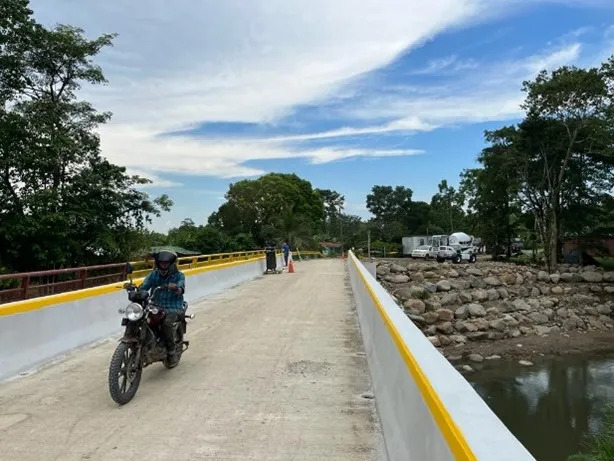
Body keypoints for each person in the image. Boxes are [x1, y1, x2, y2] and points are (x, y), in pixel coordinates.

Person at [139, 250, 186, 365]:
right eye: (161, 263)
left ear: (171, 264)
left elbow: (181, 288)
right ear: (157, 263)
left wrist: (176, 288)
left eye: (166, 263)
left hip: (173, 307)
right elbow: (145, 285)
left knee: (166, 323)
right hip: (155, 305)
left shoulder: (179, 275)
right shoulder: (154, 274)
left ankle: (171, 352)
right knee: (141, 318)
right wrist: (137, 290)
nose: (163, 265)